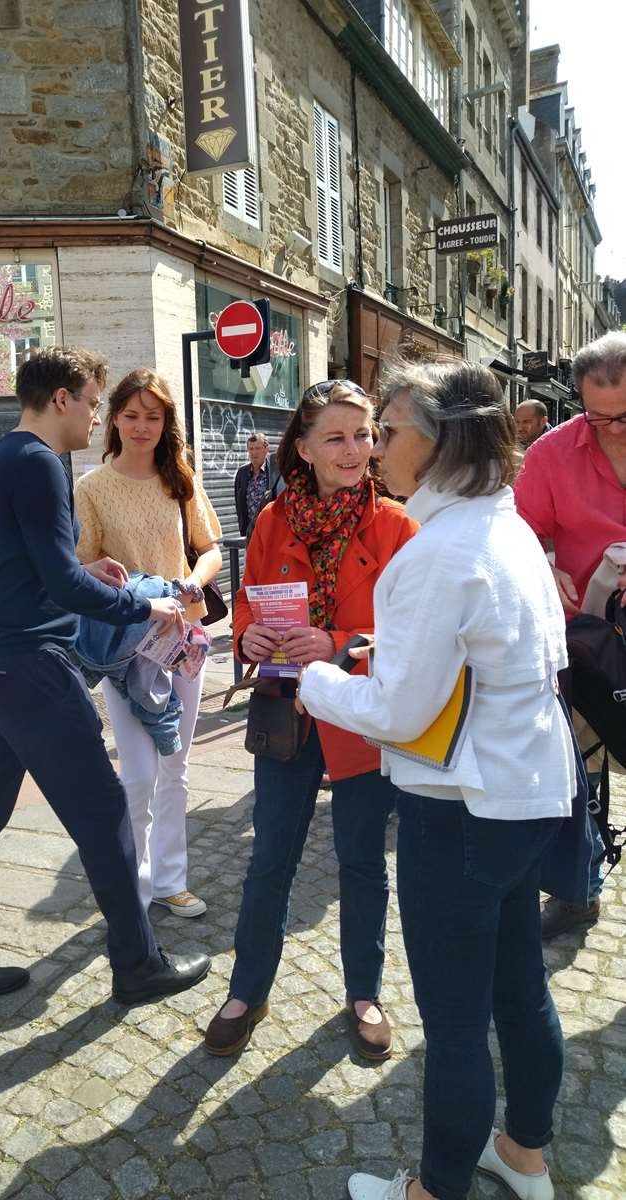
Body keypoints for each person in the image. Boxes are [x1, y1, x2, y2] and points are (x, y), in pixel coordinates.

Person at [296, 360, 577, 1200]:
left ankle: (435, 1189)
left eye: (387, 431)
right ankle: (524, 1156)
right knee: (519, 990)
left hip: (457, 808)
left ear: (440, 437)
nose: (376, 449)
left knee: (456, 1022)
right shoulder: (508, 525)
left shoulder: (437, 551)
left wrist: (311, 681)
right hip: (526, 791)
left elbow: (396, 711)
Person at [0, 347, 210, 1008]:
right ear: (61, 399)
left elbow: (39, 572)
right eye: (92, 401)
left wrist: (94, 575)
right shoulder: (39, 464)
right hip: (26, 665)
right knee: (106, 807)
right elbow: (56, 579)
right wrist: (145, 603)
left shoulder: (3, 459)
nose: (96, 416)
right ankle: (137, 966)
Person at [203, 380, 418, 1061]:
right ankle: (247, 990)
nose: (355, 449)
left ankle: (365, 993)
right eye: (336, 436)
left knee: (361, 863)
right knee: (270, 859)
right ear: (304, 447)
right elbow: (247, 604)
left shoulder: (397, 525)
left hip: (359, 717)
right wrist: (249, 639)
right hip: (286, 714)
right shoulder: (273, 520)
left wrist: (341, 642)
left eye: (364, 435)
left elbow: (411, 631)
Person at [75, 368, 222, 918]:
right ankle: (131, 888)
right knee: (136, 773)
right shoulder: (90, 487)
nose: (142, 426)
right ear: (114, 419)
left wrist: (190, 585)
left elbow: (209, 549)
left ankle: (170, 880)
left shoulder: (179, 477)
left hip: (182, 639)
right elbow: (80, 564)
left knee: (176, 765)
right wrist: (101, 575)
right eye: (132, 415)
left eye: (153, 417)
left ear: (167, 424)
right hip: (125, 647)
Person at [515, 331, 626, 939]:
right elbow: (518, 529)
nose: (610, 429)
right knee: (578, 768)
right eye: (596, 415)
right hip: (586, 637)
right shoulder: (553, 453)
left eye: (624, 416)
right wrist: (543, 560)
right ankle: (578, 888)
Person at [234, 432, 281, 537]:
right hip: (250, 533)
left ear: (266, 449)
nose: (254, 452)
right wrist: (243, 530)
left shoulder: (276, 471)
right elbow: (239, 505)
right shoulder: (242, 473)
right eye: (251, 449)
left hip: (272, 531)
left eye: (258, 448)